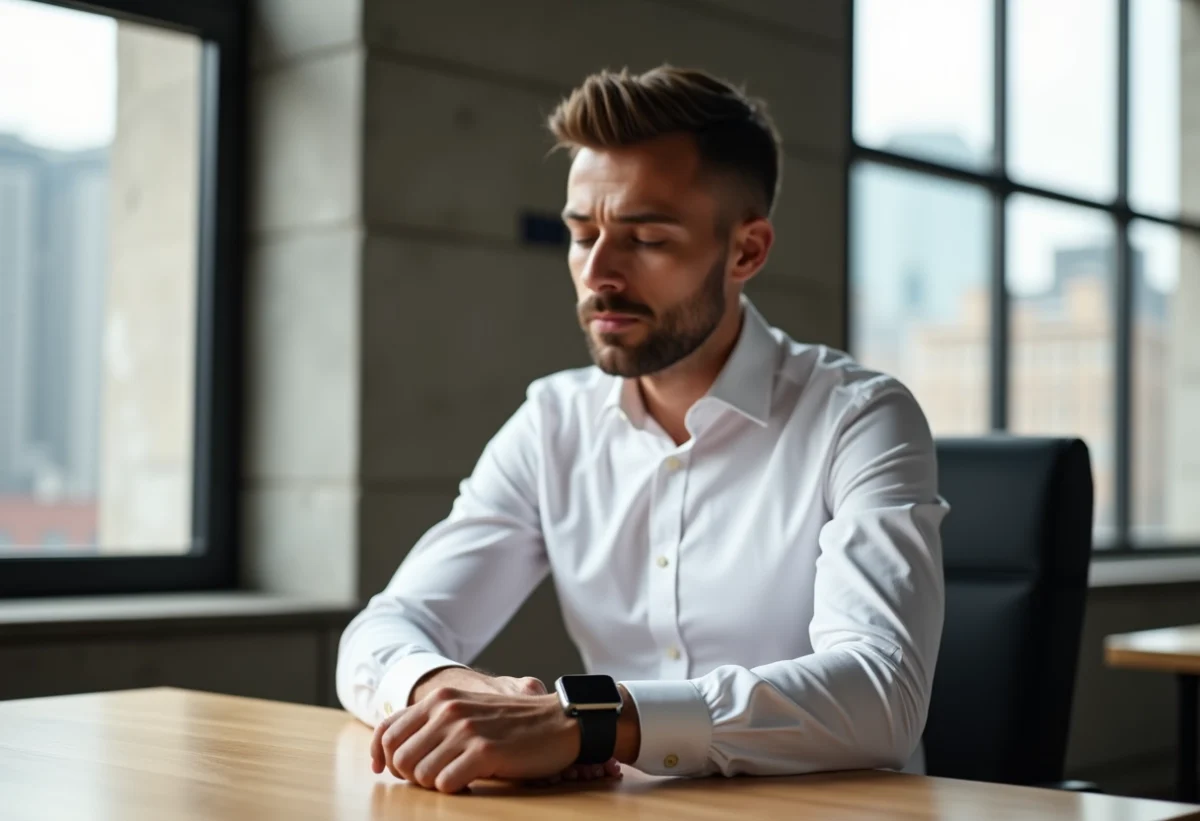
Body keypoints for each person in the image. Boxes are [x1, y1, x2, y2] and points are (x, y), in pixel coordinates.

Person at [336, 65, 947, 795]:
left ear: (746, 251)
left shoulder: (860, 417)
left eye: (647, 239)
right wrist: (451, 690)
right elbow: (381, 632)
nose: (598, 272)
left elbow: (883, 695)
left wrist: (592, 720)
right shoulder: (552, 423)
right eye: (581, 233)